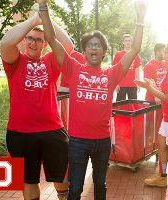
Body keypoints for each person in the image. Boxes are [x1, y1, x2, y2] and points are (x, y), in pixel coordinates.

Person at [37, 0, 147, 199]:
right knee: (76, 189)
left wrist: (140, 19)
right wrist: (43, 7)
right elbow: (52, 39)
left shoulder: (111, 74)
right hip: (78, 141)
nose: (93, 48)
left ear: (104, 51)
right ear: (85, 50)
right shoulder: (73, 68)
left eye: (97, 45)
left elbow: (134, 50)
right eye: (89, 45)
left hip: (102, 142)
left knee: (100, 186)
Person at [0, 5, 74, 200]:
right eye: (30, 38)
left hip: (52, 130)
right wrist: (33, 20)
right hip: (20, 132)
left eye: (39, 39)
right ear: (24, 40)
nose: (33, 43)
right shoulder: (15, 61)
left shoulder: (50, 61)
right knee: (29, 181)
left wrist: (45, 18)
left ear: (45, 44)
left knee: (61, 178)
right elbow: (6, 43)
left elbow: (68, 46)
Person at [136, 43, 168, 198]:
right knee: (161, 145)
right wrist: (151, 86)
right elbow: (165, 95)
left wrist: (149, 87)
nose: (164, 56)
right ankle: (163, 177)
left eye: (166, 52)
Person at [113, 34, 142, 101]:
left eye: (129, 40)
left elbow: (137, 70)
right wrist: (116, 83)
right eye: (126, 41)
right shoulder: (118, 54)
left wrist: (138, 83)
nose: (128, 42)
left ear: (132, 42)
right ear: (123, 42)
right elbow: (115, 70)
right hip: (121, 84)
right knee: (119, 106)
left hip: (132, 84)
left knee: (133, 106)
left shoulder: (136, 55)